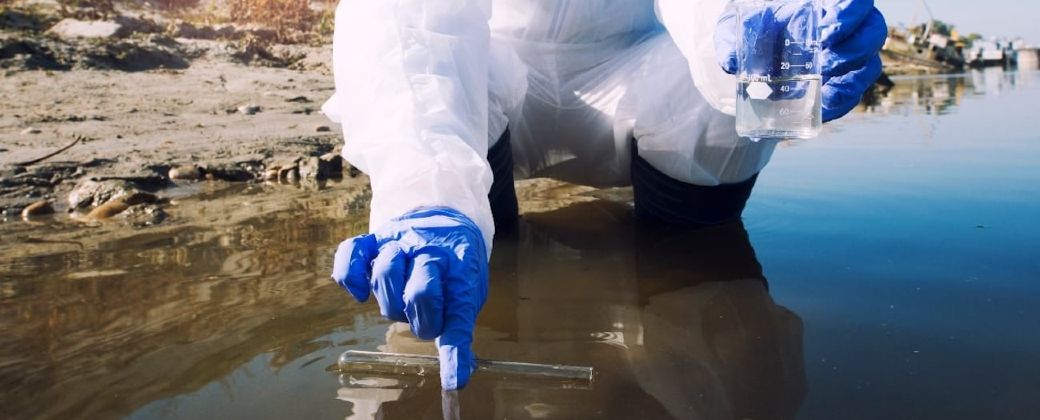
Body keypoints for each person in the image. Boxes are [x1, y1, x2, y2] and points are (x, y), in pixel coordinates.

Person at [324, 0, 886, 390]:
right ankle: (461, 234)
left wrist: (755, 27)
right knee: (436, 118)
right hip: (489, 77)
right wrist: (425, 191)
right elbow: (411, 22)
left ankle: (685, 288)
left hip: (641, 70)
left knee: (722, 109)